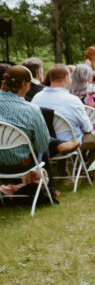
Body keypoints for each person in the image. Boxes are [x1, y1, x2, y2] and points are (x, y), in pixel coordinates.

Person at [31, 64, 95, 170]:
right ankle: (91, 175)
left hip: (45, 142)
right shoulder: (72, 100)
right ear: (66, 78)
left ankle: (64, 173)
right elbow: (88, 128)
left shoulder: (37, 98)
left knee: (61, 132)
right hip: (69, 143)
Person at [0, 66, 51, 199]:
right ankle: (42, 187)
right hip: (21, 164)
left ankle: (16, 187)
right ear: (23, 84)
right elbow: (42, 146)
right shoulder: (32, 110)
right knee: (41, 145)